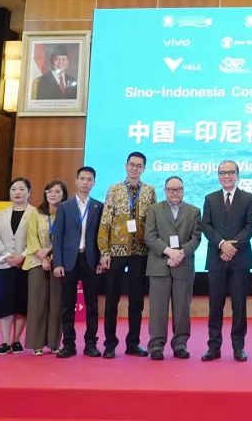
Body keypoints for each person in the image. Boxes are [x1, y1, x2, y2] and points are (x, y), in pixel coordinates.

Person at [97, 151, 156, 358]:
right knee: (112, 299)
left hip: (140, 251)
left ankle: (133, 343)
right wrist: (104, 251)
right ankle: (110, 344)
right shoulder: (114, 189)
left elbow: (153, 222)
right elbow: (105, 221)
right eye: (132, 164)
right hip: (116, 251)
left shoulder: (149, 191)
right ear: (126, 166)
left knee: (137, 301)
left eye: (139, 166)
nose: (134, 168)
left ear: (144, 169)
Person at [200, 160, 252, 362]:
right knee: (215, 305)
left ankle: (238, 347)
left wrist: (232, 247)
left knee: (239, 306)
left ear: (237, 175)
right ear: (218, 176)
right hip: (216, 259)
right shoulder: (210, 198)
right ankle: (213, 347)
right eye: (223, 173)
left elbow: (250, 226)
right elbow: (206, 225)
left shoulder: (248, 198)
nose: (227, 176)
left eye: (231, 172)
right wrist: (222, 244)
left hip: (240, 260)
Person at [145, 176, 202, 360]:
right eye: (171, 189)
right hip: (159, 265)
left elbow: (196, 238)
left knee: (182, 309)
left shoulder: (194, 211)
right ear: (165, 191)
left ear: (183, 190)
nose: (175, 193)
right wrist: (169, 252)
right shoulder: (154, 209)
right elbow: (150, 237)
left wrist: (180, 254)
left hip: (183, 265)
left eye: (178, 189)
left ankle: (180, 344)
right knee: (157, 309)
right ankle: (156, 346)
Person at [52, 166, 104, 358]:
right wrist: (57, 263)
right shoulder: (64, 207)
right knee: (67, 305)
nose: (85, 182)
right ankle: (68, 343)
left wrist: (100, 259)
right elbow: (57, 237)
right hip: (68, 261)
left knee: (92, 305)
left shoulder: (99, 206)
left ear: (94, 183)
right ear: (76, 181)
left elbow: (101, 237)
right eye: (82, 178)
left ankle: (91, 343)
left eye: (89, 179)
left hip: (90, 260)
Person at [0, 177, 35, 355]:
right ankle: (5, 341)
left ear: (29, 193)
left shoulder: (35, 214)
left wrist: (22, 256)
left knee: (21, 303)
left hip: (26, 265)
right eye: (14, 189)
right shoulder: (1, 215)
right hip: (4, 265)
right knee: (4, 302)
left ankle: (16, 339)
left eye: (22, 189)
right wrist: (8, 256)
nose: (17, 192)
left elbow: (37, 239)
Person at [25, 181, 66, 355]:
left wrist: (49, 251)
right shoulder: (36, 213)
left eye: (57, 191)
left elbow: (65, 237)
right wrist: (41, 257)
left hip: (59, 262)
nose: (53, 194)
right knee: (37, 303)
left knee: (56, 303)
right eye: (50, 191)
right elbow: (31, 236)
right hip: (36, 261)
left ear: (64, 195)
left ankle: (54, 343)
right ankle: (37, 344)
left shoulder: (66, 213)